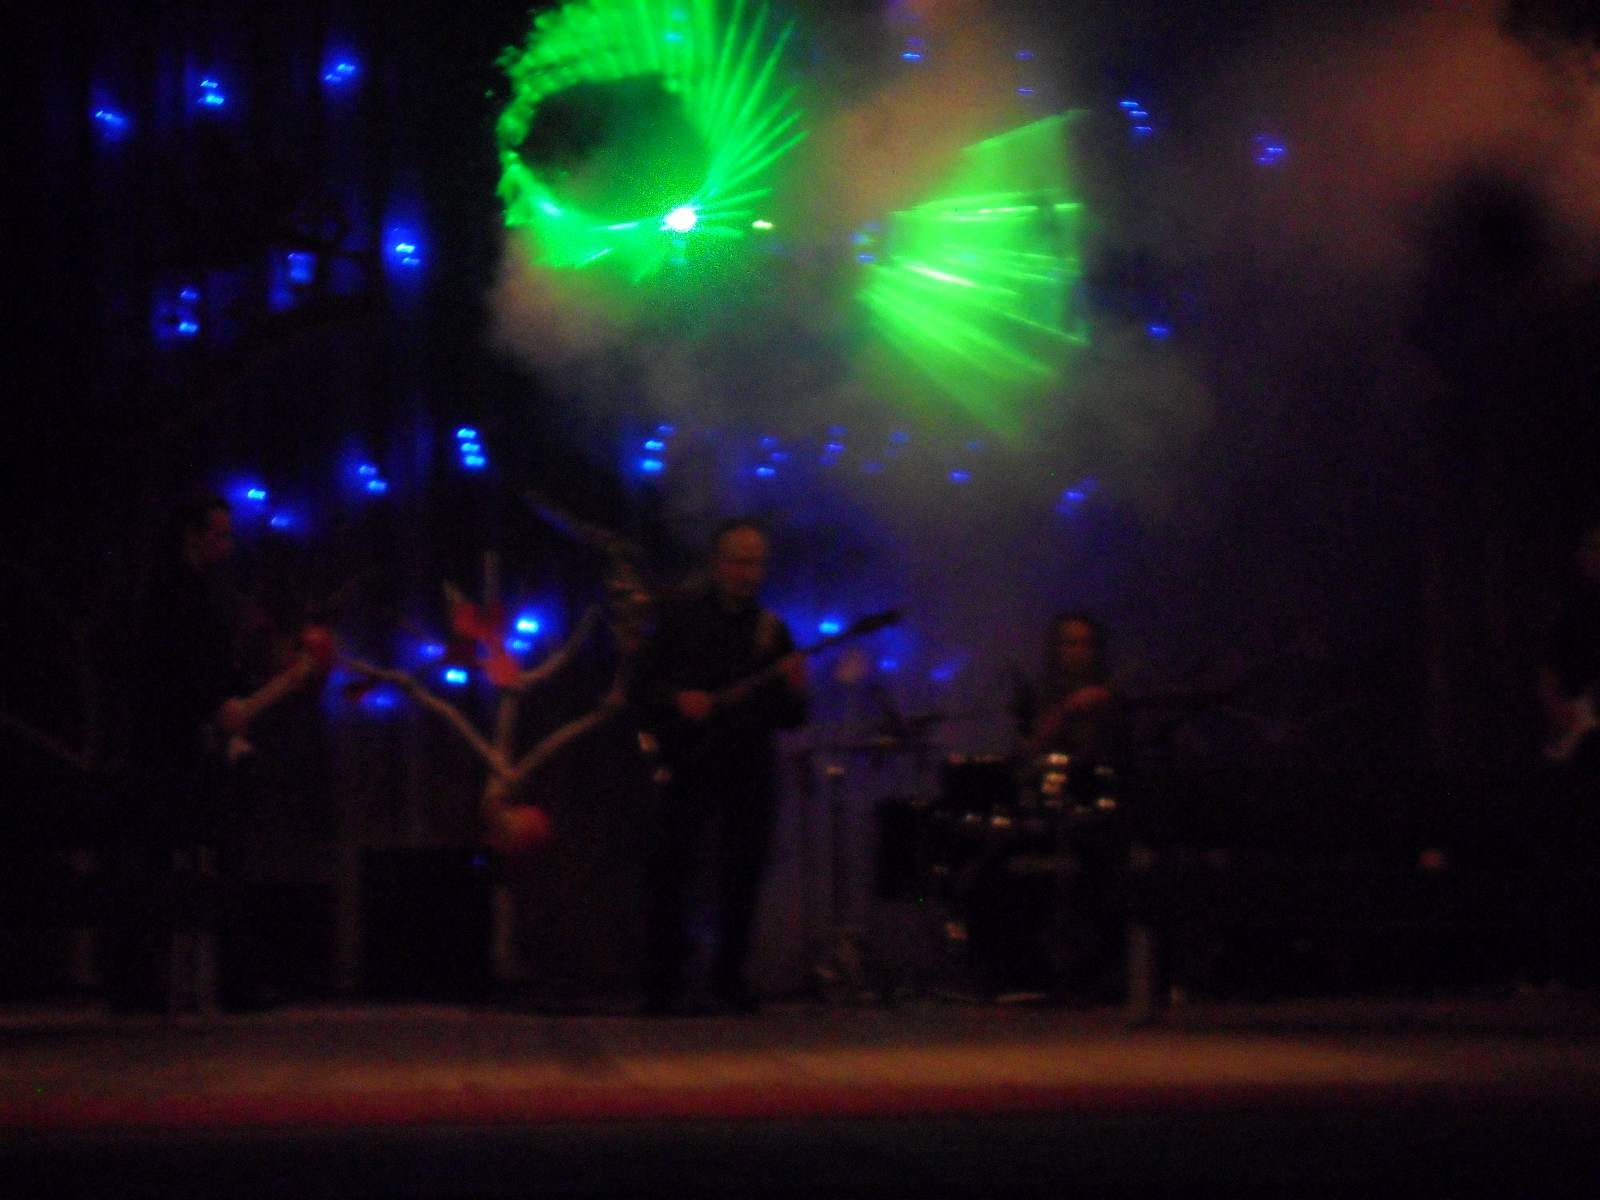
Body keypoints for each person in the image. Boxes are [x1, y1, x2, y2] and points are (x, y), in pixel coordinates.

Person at [633, 520, 809, 1014]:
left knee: (742, 875)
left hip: (749, 765)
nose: (749, 573)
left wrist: (795, 688)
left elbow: (791, 718)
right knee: (672, 873)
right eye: (739, 561)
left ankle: (728, 980)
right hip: (690, 761)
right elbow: (640, 687)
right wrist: (677, 700)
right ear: (717, 563)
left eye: (757, 563)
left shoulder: (772, 630)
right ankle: (663, 985)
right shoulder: (680, 619)